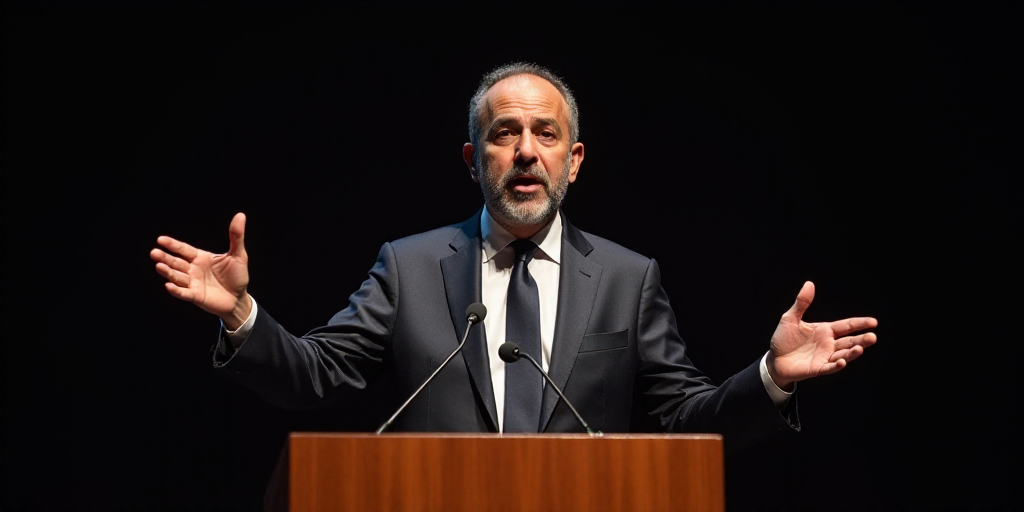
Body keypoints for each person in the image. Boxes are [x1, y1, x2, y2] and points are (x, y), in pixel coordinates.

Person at [149, 61, 878, 455]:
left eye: (546, 133)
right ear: (474, 160)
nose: (526, 150)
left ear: (575, 160)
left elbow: (686, 421)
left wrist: (770, 378)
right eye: (504, 133)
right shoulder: (409, 267)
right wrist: (242, 315)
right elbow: (315, 376)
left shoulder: (628, 279)